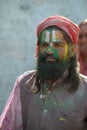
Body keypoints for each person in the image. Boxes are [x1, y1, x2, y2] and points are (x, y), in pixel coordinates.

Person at [0, 15, 87, 130]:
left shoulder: (85, 89)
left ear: (71, 50)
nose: (49, 51)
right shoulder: (24, 83)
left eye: (57, 45)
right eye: (44, 45)